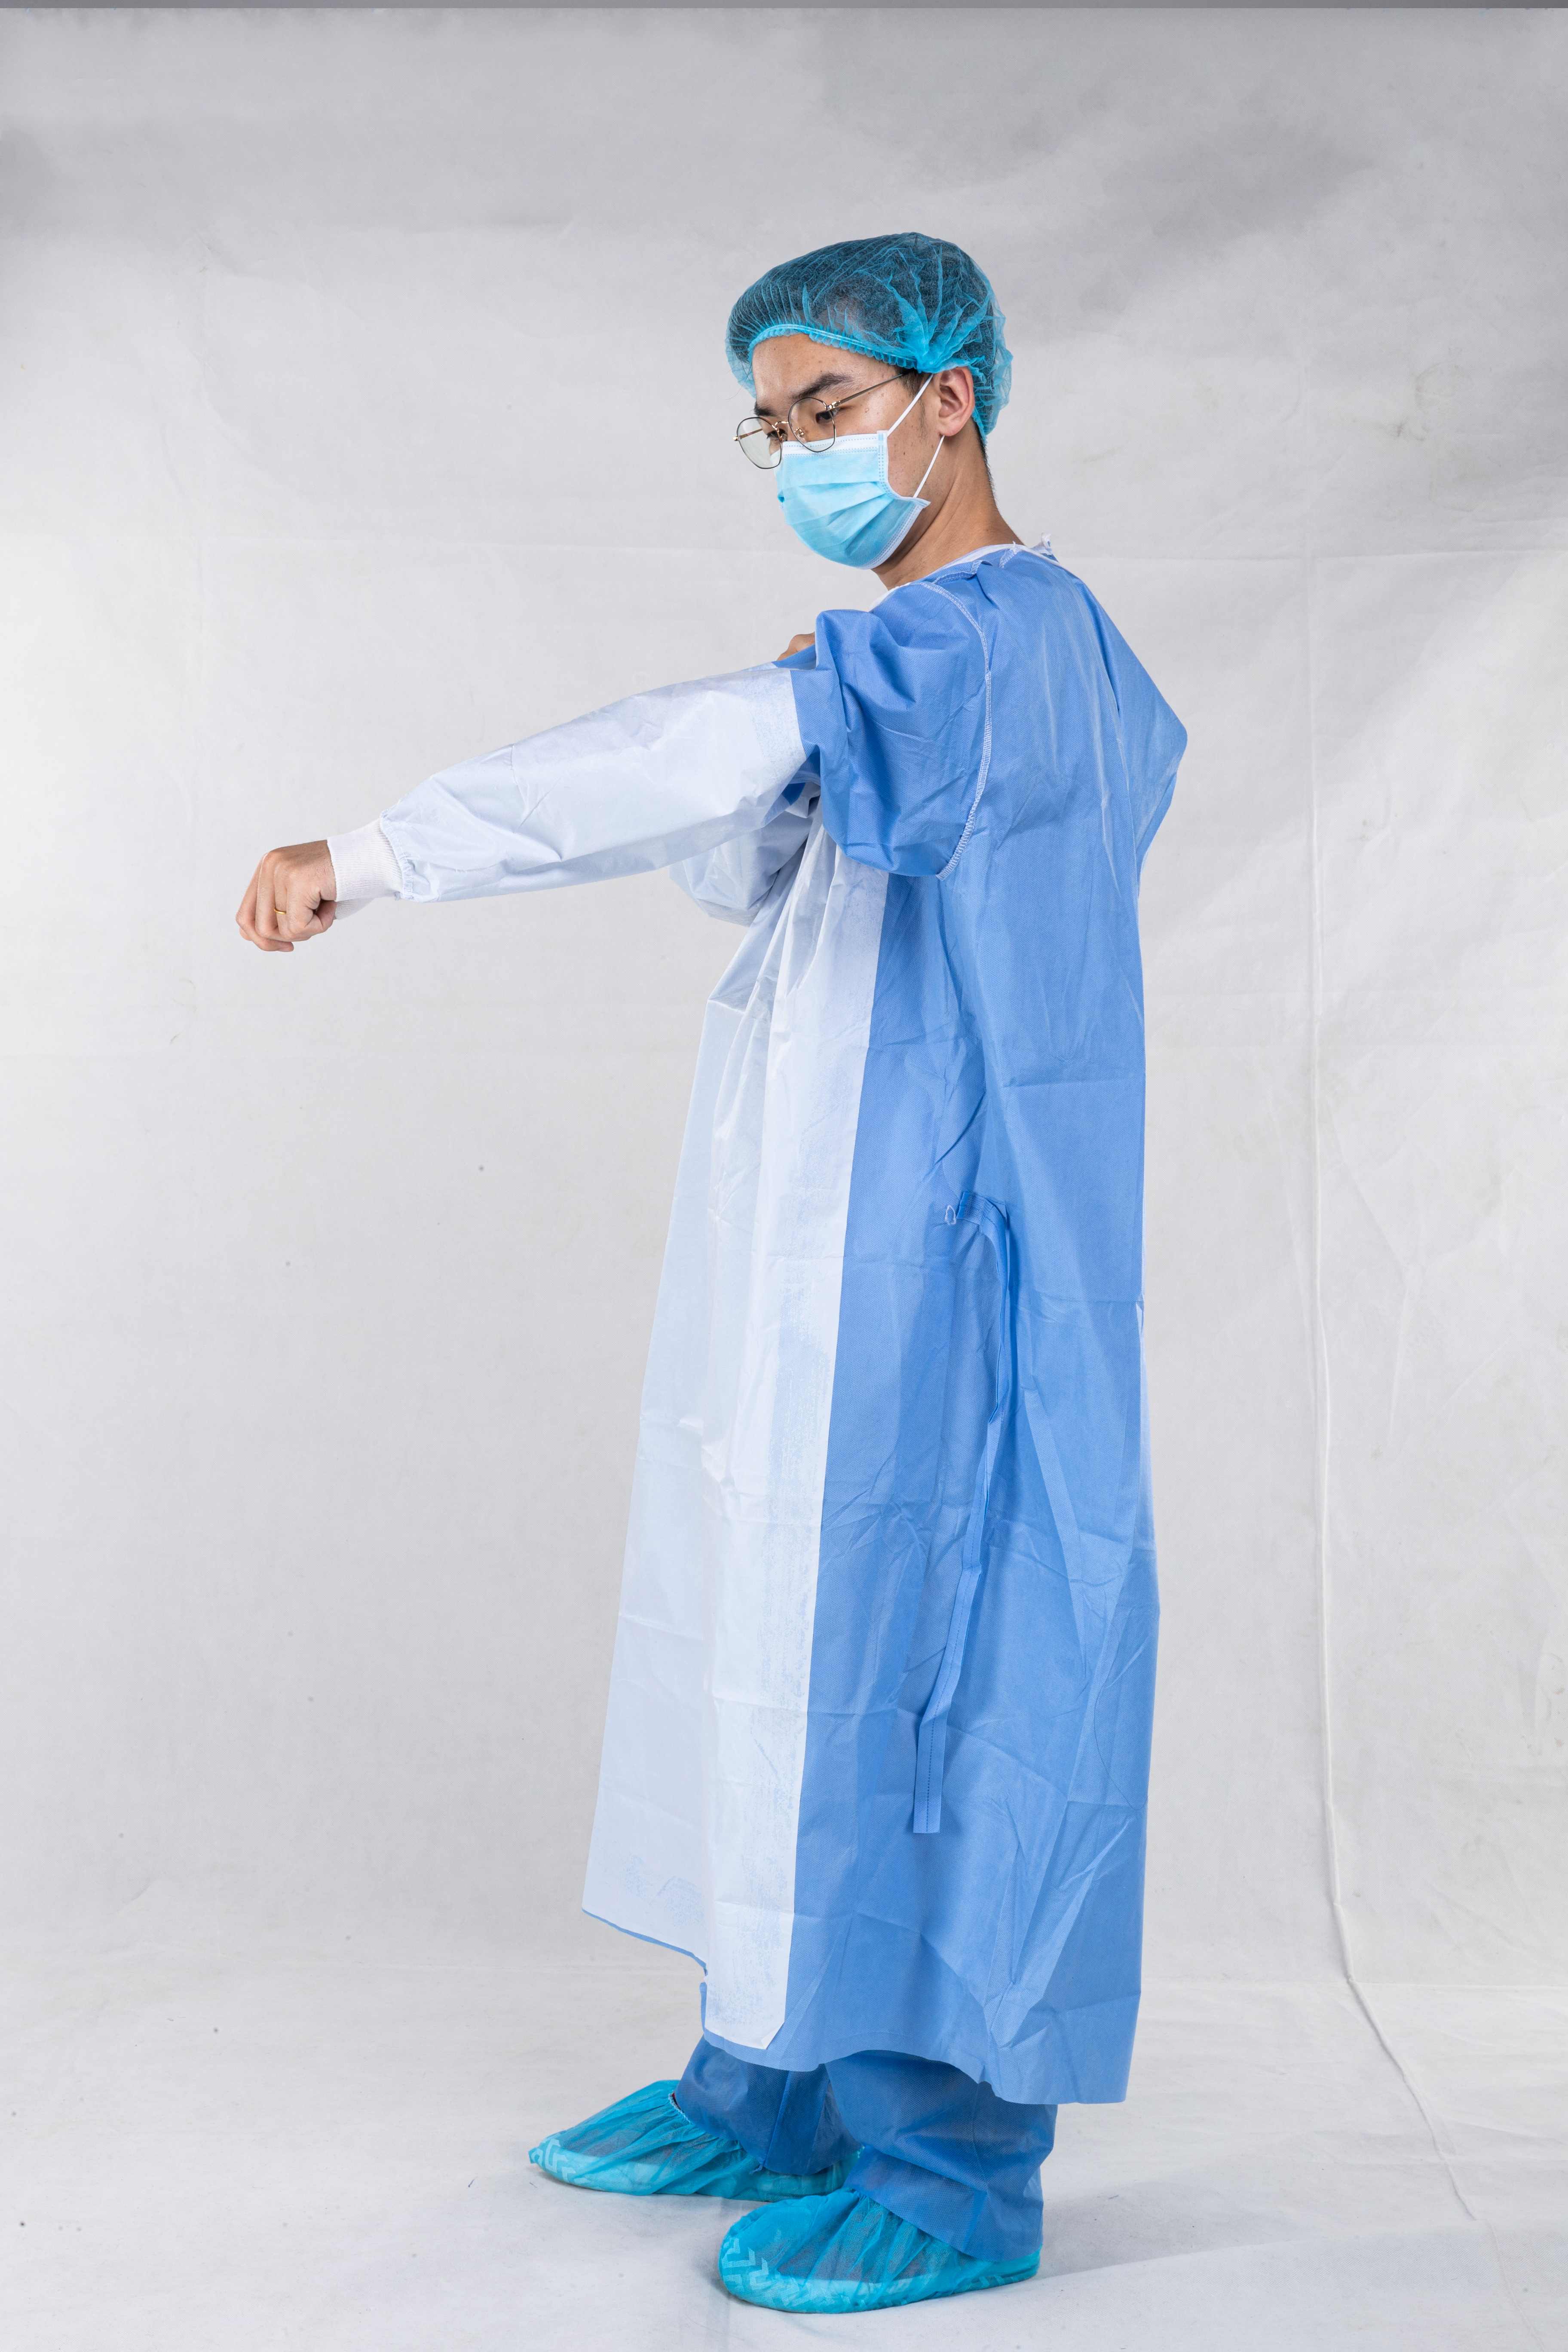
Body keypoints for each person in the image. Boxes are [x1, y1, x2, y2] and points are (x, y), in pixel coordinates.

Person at [236, 232, 1186, 2316]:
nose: (800, 455)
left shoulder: (998, 638)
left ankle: (949, 2169)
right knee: (788, 1636)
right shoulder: (915, 656)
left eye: (831, 409)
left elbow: (677, 764)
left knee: (928, 1663)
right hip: (844, 1232)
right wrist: (805, 730)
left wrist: (375, 854)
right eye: (772, 427)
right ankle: (773, 2079)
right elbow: (760, 852)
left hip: (949, 1252)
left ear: (953, 397)